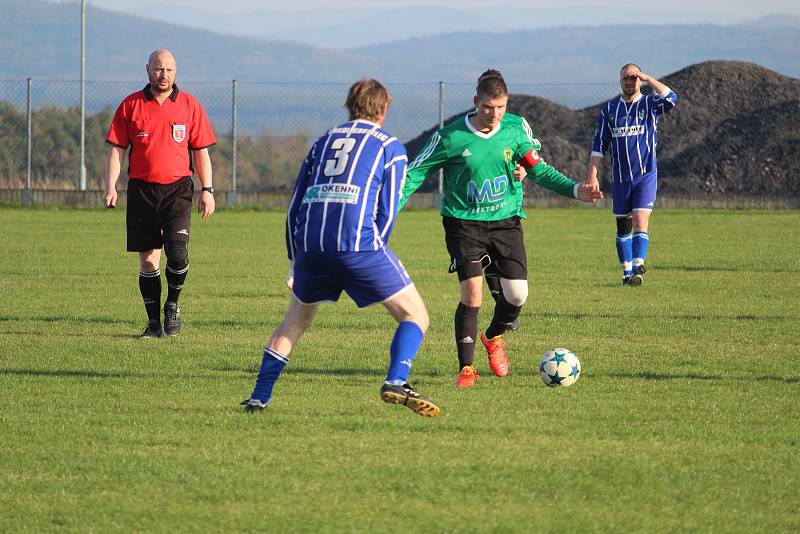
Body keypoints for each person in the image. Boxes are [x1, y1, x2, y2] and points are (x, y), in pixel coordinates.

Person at [241, 79, 440, 417]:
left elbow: (295, 206)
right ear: (384, 108)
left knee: (295, 320)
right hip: (359, 246)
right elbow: (387, 210)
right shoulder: (390, 147)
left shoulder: (322, 141)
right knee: (415, 315)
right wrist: (371, 254)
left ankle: (259, 398)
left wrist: (295, 259)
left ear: (350, 105)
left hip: (311, 246)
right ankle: (396, 379)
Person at [399, 69, 602, 388]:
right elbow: (413, 175)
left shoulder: (515, 128)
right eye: (488, 107)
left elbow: (539, 171)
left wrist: (577, 190)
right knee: (472, 293)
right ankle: (466, 369)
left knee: (517, 296)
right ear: (476, 102)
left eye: (501, 107)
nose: (494, 115)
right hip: (463, 222)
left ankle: (492, 337)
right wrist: (387, 211)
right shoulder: (450, 137)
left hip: (506, 221)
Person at [104, 49, 216, 338]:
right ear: (147, 70)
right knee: (148, 260)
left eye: (169, 69)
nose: (163, 75)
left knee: (177, 255)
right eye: (157, 69)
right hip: (141, 190)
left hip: (178, 190)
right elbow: (118, 149)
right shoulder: (131, 105)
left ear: (176, 71)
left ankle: (173, 304)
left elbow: (201, 152)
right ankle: (153, 324)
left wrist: (208, 190)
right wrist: (111, 186)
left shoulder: (190, 105)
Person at [585, 63, 678, 286]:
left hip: (645, 174)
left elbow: (672, 98)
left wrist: (648, 78)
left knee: (639, 220)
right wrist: (592, 176)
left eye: (634, 78)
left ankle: (638, 266)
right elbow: (599, 145)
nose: (630, 81)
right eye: (627, 78)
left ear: (640, 81)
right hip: (620, 177)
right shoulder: (609, 110)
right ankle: (627, 274)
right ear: (620, 80)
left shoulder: (649, 103)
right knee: (623, 227)